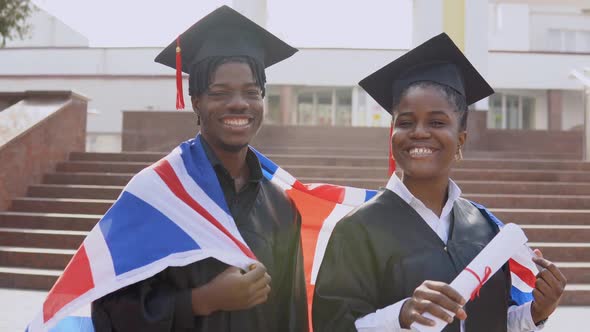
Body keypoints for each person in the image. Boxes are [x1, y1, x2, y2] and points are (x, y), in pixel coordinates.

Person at [312, 33, 566, 332]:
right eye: (406, 122)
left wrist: (537, 311)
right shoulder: (358, 230)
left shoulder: (483, 226)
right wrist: (402, 314)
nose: (419, 132)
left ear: (461, 140)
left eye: (436, 122)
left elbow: (491, 321)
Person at [91, 6, 308, 331]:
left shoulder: (281, 207)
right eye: (220, 93)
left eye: (252, 92)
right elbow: (109, 308)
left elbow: (290, 317)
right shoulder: (157, 194)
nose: (239, 103)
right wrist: (202, 300)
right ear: (195, 101)